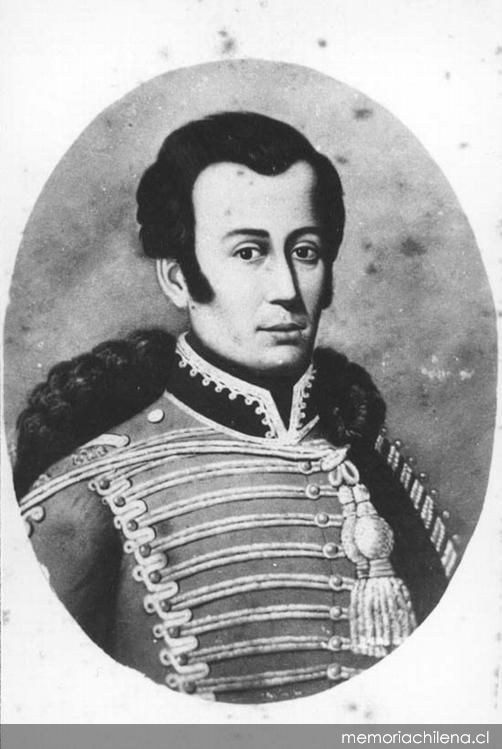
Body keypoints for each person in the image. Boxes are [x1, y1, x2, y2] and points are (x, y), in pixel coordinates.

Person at [14, 112, 457, 704]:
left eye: (305, 251)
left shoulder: (379, 468)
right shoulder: (87, 497)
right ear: (178, 279)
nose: (287, 289)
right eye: (249, 253)